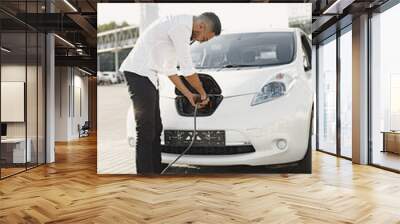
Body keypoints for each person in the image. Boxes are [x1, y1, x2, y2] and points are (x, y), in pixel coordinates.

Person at [119, 12, 222, 175]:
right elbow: (187, 68)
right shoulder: (181, 27)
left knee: (156, 127)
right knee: (145, 128)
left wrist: (189, 94)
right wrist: (203, 94)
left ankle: (156, 170)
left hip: (149, 76)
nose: (201, 42)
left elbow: (170, 70)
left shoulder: (178, 28)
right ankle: (145, 174)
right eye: (205, 38)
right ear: (201, 27)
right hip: (138, 73)